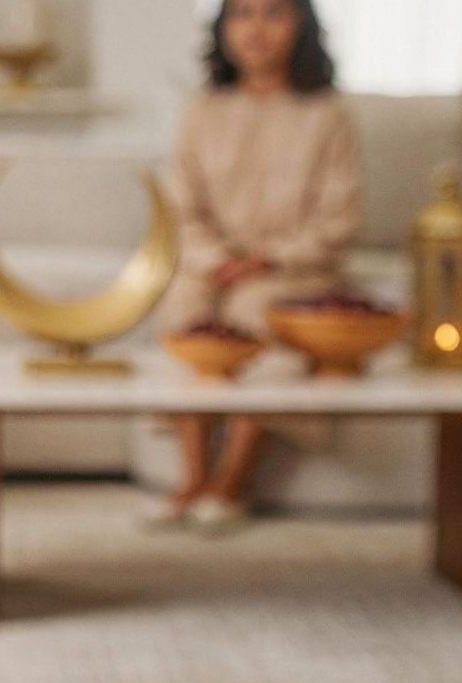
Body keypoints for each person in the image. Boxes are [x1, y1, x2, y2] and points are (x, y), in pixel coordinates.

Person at [148, 0, 362, 532]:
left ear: (302, 26)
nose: (257, 30)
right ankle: (192, 477)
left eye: (274, 14)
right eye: (242, 14)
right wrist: (217, 258)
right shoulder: (202, 110)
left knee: (256, 309)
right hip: (213, 264)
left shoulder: (329, 115)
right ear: (223, 29)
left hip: (294, 269)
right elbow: (181, 209)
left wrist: (269, 258)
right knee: (185, 305)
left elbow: (338, 220)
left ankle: (232, 480)